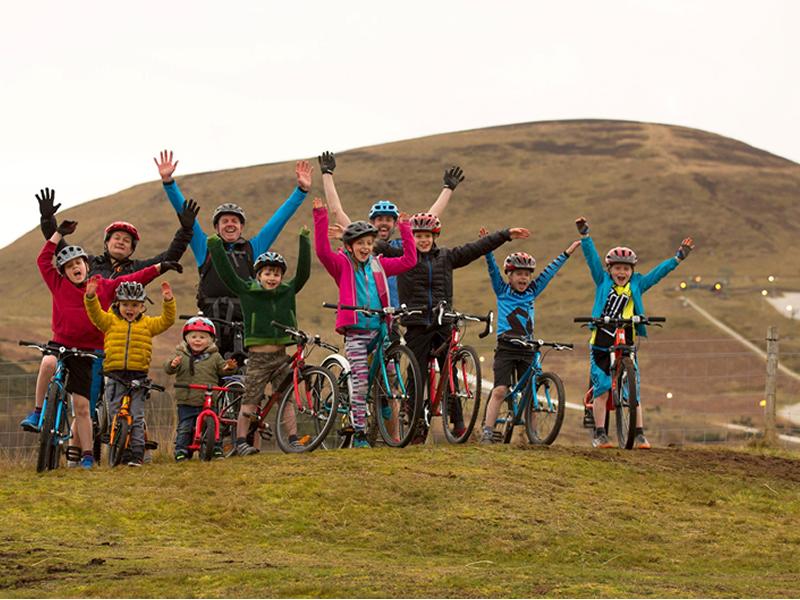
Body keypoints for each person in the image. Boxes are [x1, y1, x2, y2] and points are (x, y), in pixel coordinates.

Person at [22, 188, 197, 436]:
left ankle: (131, 444)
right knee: (83, 405)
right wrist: (48, 220)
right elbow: (60, 247)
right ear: (106, 242)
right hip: (82, 343)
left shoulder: (136, 269)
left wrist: (186, 231)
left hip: (116, 343)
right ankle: (79, 449)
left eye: (127, 240)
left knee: (123, 399)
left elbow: (167, 259)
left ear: (132, 248)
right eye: (116, 237)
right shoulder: (87, 263)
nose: (121, 241)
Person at [375, 213, 529, 441]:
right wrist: (350, 237)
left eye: (427, 236)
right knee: (416, 373)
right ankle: (415, 422)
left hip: (442, 321)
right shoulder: (404, 255)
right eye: (419, 236)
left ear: (435, 236)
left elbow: (476, 248)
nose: (423, 240)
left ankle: (458, 423)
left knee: (450, 372)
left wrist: (505, 235)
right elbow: (375, 245)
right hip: (417, 323)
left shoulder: (447, 257)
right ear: (413, 237)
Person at [154, 150, 313, 360]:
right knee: (208, 372)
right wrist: (169, 183)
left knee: (245, 372)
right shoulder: (206, 247)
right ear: (217, 227)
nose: (230, 224)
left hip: (245, 322)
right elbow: (187, 217)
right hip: (211, 323)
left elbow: (279, 219)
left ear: (241, 226)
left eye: (235, 221)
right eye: (225, 221)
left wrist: (301, 191)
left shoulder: (253, 248)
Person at [575, 216, 695, 449]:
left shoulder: (637, 284)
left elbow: (657, 274)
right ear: (609, 269)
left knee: (633, 389)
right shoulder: (602, 281)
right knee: (602, 388)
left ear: (632, 271)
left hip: (626, 339)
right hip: (601, 342)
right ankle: (600, 433)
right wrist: (585, 236)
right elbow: (592, 259)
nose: (622, 272)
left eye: (626, 268)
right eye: (617, 268)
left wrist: (678, 258)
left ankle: (638, 433)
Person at [313, 198, 417, 448]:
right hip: (356, 332)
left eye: (369, 243)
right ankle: (359, 432)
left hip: (379, 328)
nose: (366, 247)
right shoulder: (342, 264)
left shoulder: (379, 264)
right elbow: (322, 252)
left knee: (389, 370)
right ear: (349, 246)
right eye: (360, 243)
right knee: (360, 385)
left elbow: (409, 261)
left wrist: (406, 229)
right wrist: (320, 216)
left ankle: (382, 401)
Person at [207, 225, 311, 456]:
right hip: (257, 358)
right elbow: (227, 273)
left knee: (286, 399)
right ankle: (241, 441)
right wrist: (215, 245)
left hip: (281, 357)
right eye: (267, 273)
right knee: (250, 399)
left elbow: (303, 273)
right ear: (258, 275)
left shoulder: (287, 290)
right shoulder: (247, 290)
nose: (272, 278)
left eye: (276, 274)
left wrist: (304, 240)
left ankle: (293, 439)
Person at [317, 150, 464, 306]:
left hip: (403, 313)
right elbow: (337, 211)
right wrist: (327, 174)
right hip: (372, 312)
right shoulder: (362, 246)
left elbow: (429, 219)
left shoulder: (402, 246)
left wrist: (448, 188)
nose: (384, 223)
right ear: (372, 223)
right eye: (379, 219)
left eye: (388, 220)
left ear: (395, 224)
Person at [479, 231, 581, 444]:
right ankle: (487, 431)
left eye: (527, 274)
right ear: (509, 275)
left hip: (527, 348)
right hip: (506, 348)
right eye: (518, 274)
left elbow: (550, 272)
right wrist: (487, 247)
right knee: (500, 390)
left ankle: (533, 436)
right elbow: (492, 268)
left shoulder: (532, 291)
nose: (524, 278)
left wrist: (567, 253)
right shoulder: (502, 290)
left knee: (530, 393)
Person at [84, 278, 177, 467]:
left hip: (138, 376)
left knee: (136, 418)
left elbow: (166, 321)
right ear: (118, 304)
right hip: (115, 375)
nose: (130, 309)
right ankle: (119, 451)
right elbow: (95, 315)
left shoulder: (148, 324)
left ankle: (136, 454)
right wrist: (91, 297)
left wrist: (168, 301)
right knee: (115, 414)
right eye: (125, 304)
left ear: (142, 306)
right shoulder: (110, 321)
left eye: (135, 305)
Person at [165, 317, 237, 461]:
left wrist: (228, 368)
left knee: (214, 424)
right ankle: (181, 450)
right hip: (187, 399)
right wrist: (172, 364)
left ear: (211, 340)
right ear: (186, 339)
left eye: (202, 337)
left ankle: (216, 448)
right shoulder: (181, 355)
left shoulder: (215, 356)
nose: (197, 340)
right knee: (185, 427)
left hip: (208, 399)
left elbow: (222, 369)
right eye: (194, 337)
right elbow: (168, 368)